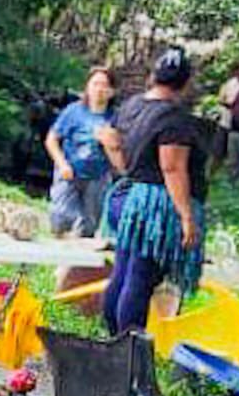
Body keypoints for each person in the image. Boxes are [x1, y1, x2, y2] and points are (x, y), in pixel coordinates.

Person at [98, 49, 208, 335]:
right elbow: (172, 168)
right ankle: (128, 350)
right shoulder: (175, 119)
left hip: (128, 197)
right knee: (139, 278)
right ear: (185, 84)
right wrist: (186, 217)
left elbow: (111, 141)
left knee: (123, 273)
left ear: (152, 77)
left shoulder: (131, 106)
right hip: (156, 207)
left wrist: (125, 169)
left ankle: (112, 340)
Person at [45, 67, 117, 238]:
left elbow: (120, 152)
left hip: (98, 177)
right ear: (87, 87)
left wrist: (109, 143)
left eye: (104, 85)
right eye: (95, 84)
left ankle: (79, 263)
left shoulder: (116, 117)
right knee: (60, 218)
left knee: (89, 226)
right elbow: (52, 139)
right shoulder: (73, 111)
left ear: (112, 91)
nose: (99, 89)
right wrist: (62, 164)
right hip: (69, 173)